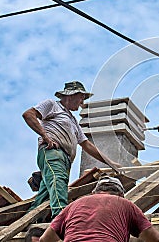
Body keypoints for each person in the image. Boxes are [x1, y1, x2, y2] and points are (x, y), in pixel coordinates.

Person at [23, 81, 121, 218]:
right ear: (70, 95)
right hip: (53, 152)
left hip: (65, 160)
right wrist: (45, 136)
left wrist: (110, 162)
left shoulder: (73, 121)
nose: (82, 102)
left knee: (45, 196)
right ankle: (62, 219)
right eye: (81, 97)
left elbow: (87, 145)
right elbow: (28, 114)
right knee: (58, 182)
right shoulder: (52, 105)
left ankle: (29, 221)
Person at [39, 176, 159, 242]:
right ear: (121, 194)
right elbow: (158, 240)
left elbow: (44, 240)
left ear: (95, 192)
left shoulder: (73, 206)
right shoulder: (125, 204)